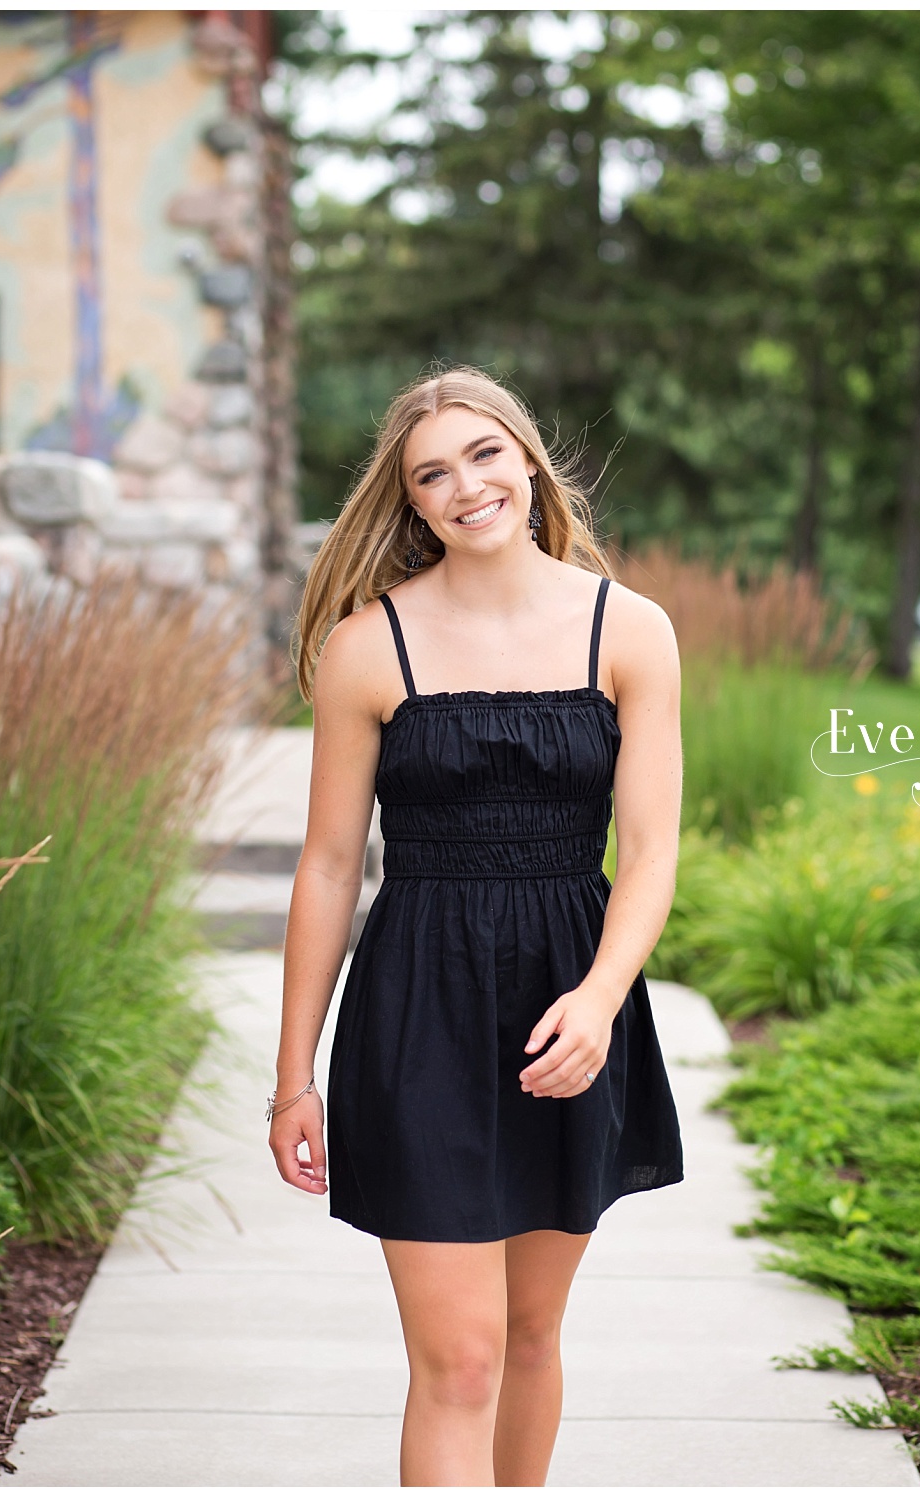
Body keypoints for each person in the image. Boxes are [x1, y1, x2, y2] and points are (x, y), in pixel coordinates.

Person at [267, 367, 685, 1485]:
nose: (466, 486)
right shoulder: (368, 646)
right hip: (420, 1011)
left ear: (528, 459)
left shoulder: (629, 630)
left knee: (533, 1337)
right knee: (458, 1361)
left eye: (484, 453)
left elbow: (649, 853)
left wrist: (599, 1001)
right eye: (432, 474)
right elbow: (328, 867)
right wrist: (293, 1077)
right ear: (410, 501)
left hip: (568, 1007)